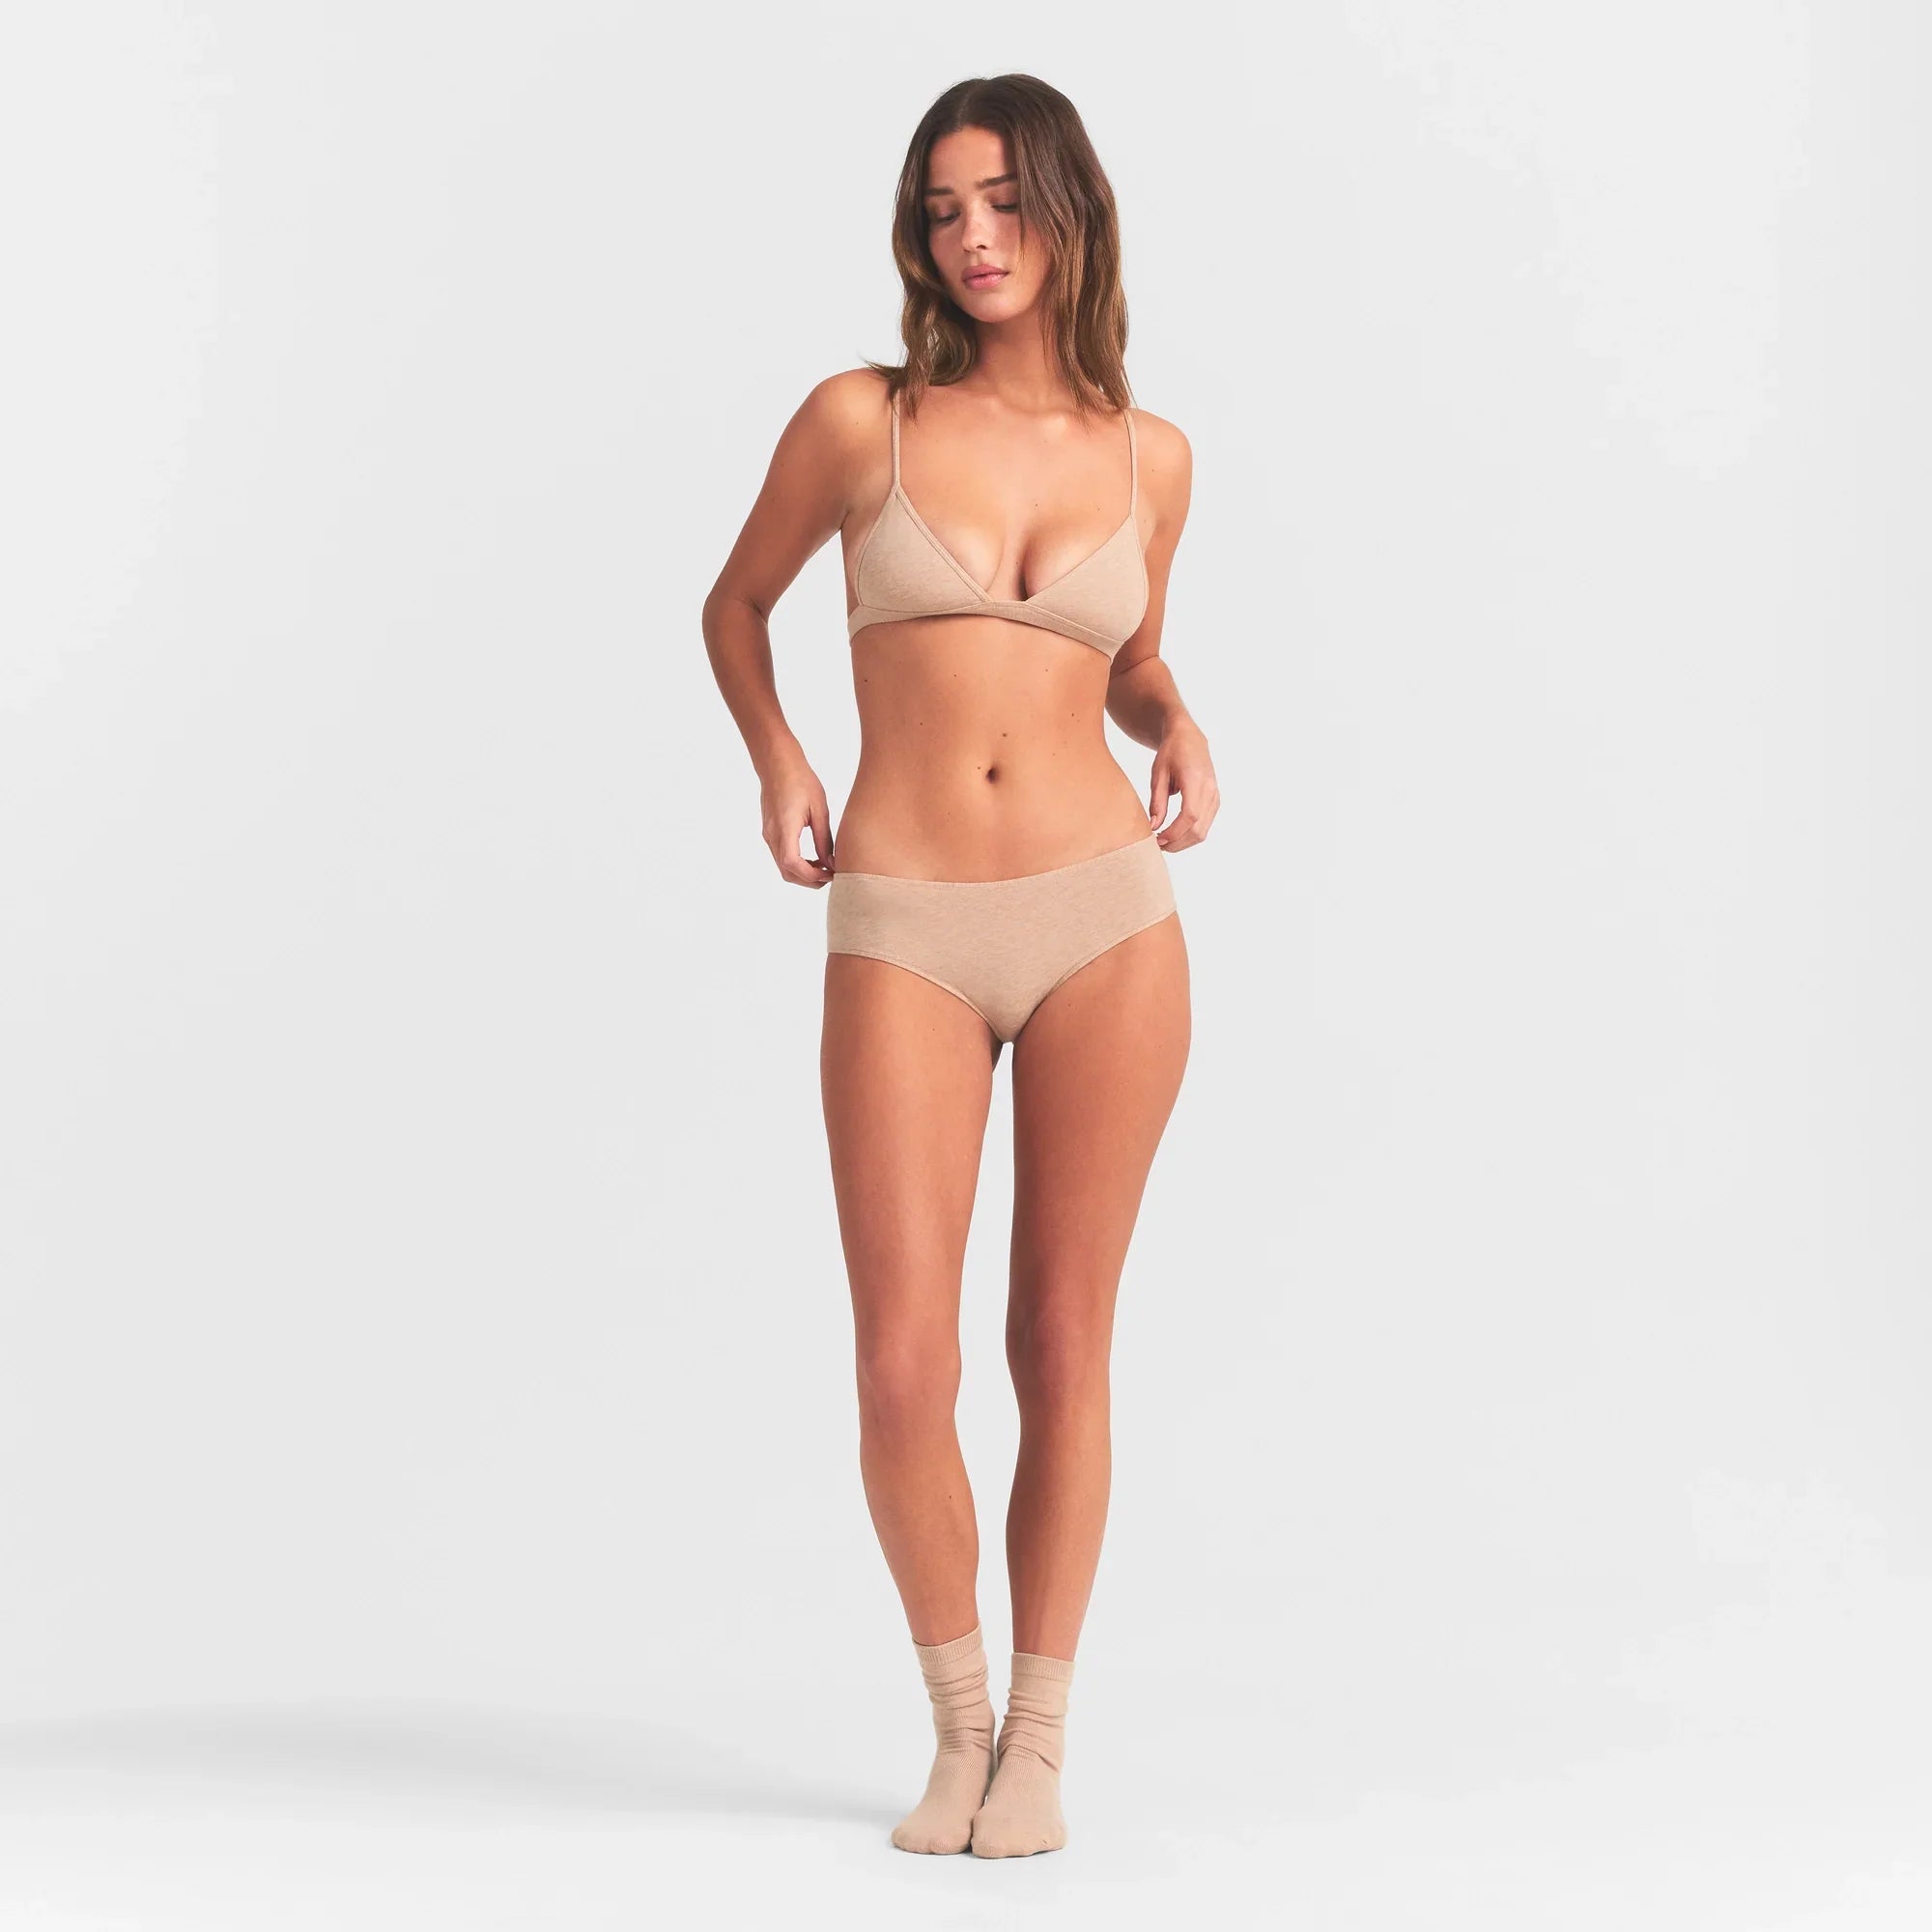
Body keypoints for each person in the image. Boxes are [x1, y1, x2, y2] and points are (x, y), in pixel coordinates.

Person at [701, 72, 1219, 1858]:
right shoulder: (865, 420)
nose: (974, 238)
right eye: (942, 210)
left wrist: (1179, 720)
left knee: (1062, 1342)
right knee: (903, 1366)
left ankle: (1043, 1746)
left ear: (1072, 210)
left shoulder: (1152, 457)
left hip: (1105, 921)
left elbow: (1125, 661)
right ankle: (957, 1727)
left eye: (1004, 201)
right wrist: (781, 756)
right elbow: (734, 601)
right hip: (906, 919)